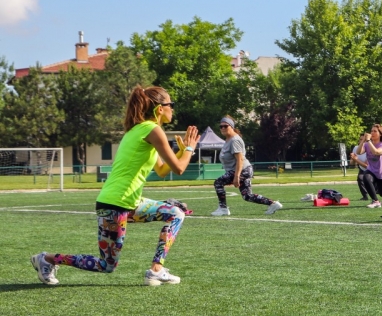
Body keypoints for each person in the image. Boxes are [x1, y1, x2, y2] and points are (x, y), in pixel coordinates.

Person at [31, 86, 201, 287]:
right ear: (159, 109)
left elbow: (163, 170)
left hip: (129, 203)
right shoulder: (152, 130)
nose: (172, 108)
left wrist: (182, 151)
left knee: (176, 213)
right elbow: (179, 169)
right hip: (115, 204)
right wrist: (189, 148)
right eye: (170, 104)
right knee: (106, 265)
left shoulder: (141, 130)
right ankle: (47, 259)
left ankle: (156, 270)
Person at [211, 116, 282, 216]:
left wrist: (236, 176)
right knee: (247, 196)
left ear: (231, 126)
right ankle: (273, 204)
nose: (222, 128)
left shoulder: (234, 140)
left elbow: (239, 159)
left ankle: (223, 208)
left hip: (242, 170)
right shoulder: (228, 140)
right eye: (221, 126)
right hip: (241, 170)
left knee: (218, 182)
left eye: (225, 126)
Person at [361, 124, 382, 208]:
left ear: (380, 134)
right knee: (366, 177)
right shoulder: (367, 144)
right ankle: (376, 201)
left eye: (375, 131)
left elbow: (376, 152)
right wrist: (363, 140)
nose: (372, 133)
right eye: (371, 131)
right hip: (371, 170)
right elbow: (359, 152)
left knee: (381, 192)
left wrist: (368, 141)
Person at [350, 132, 372, 201]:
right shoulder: (356, 148)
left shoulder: (370, 149)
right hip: (362, 169)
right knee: (360, 178)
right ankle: (365, 196)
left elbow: (366, 166)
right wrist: (353, 159)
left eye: (364, 140)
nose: (362, 141)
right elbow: (351, 163)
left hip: (372, 170)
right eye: (360, 139)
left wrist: (356, 159)